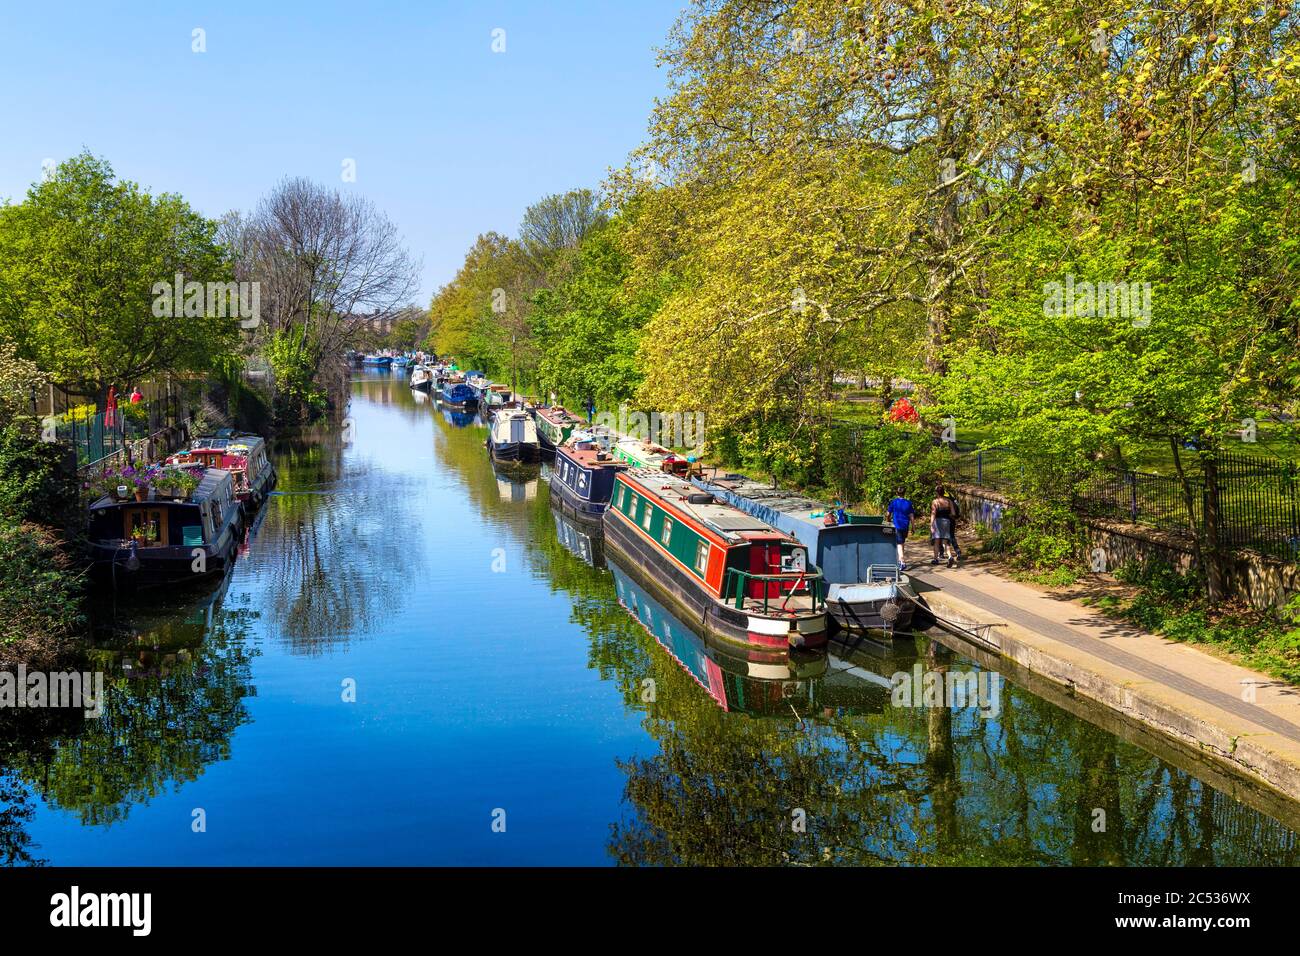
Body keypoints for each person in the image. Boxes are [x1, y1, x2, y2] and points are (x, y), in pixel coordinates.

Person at [885, 490, 914, 569]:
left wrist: (888, 520)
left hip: (897, 525)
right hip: (905, 526)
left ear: (897, 493)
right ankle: (900, 560)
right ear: (904, 493)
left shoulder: (894, 502)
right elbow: (911, 516)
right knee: (902, 542)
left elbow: (888, 514)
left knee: (899, 544)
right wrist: (913, 527)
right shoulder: (908, 503)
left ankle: (902, 562)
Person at [930, 488, 959, 567]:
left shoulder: (935, 502)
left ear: (937, 493)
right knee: (945, 542)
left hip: (937, 522)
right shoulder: (949, 501)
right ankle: (950, 556)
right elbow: (953, 513)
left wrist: (931, 525)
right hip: (947, 522)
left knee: (936, 541)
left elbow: (933, 514)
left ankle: (936, 559)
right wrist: (947, 516)